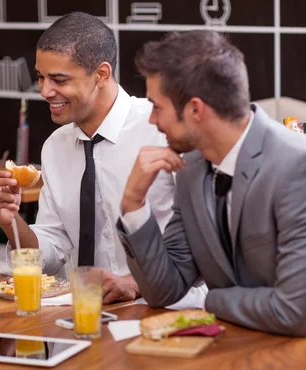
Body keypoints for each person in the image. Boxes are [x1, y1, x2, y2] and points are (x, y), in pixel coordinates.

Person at [0, 12, 206, 305]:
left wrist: (136, 282)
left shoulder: (163, 129)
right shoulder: (56, 147)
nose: (44, 91)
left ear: (101, 74)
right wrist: (10, 222)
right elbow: (49, 256)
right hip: (83, 314)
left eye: (58, 79)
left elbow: (205, 236)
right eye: (40, 77)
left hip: (164, 311)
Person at [117, 30, 306, 336]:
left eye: (156, 106)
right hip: (231, 353)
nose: (152, 120)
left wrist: (211, 299)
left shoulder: (296, 166)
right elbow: (165, 291)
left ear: (195, 110)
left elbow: (296, 311)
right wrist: (133, 204)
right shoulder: (191, 168)